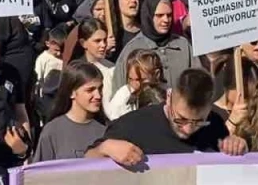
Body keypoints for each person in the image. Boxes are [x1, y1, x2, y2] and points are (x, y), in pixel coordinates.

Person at [89, 68, 246, 165]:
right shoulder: (132, 125)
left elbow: (228, 164)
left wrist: (237, 147)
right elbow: (87, 161)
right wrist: (106, 148)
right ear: (169, 97)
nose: (188, 129)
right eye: (181, 119)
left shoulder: (214, 123)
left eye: (199, 122)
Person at [114, 0, 198, 86]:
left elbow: (198, 81)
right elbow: (119, 88)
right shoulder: (132, 49)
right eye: (159, 15)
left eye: (169, 15)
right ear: (149, 16)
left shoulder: (183, 45)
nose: (166, 20)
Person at [34, 61, 108, 162]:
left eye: (100, 89)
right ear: (71, 93)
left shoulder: (106, 131)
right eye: (90, 90)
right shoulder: (52, 131)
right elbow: (40, 170)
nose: (98, 96)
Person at [106, 49, 164, 121]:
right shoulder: (124, 96)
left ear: (156, 74)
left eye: (141, 80)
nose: (135, 86)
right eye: (131, 79)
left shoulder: (165, 93)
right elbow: (114, 117)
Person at [75, 17, 117, 102]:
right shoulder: (76, 71)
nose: (103, 45)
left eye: (104, 40)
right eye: (97, 41)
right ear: (83, 43)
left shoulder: (111, 67)